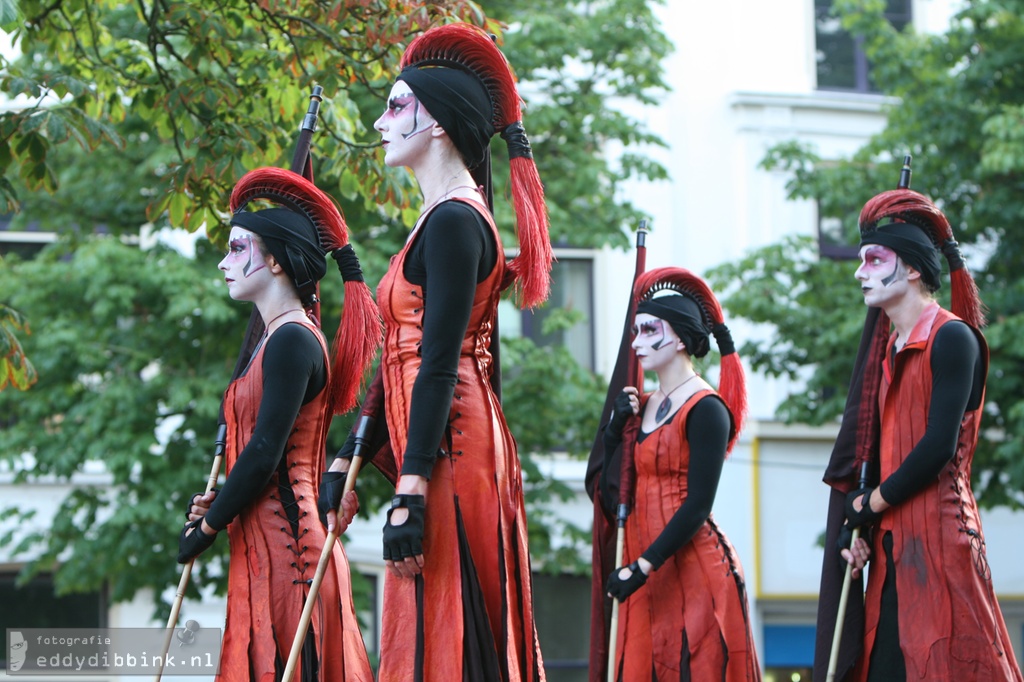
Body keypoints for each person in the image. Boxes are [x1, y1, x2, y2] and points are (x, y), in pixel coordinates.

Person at [322, 22, 553, 682]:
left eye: (396, 107)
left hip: (455, 442)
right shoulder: (437, 218)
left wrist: (413, 484)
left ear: (441, 126)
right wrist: (352, 452)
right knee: (426, 626)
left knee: (451, 629)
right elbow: (400, 354)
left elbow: (440, 361)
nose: (379, 120)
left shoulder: (455, 219)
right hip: (439, 437)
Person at [177, 166, 379, 682]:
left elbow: (265, 453)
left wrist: (208, 525)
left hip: (293, 559)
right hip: (266, 553)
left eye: (237, 248)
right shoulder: (280, 338)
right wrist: (220, 504)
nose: (224, 262)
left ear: (273, 259)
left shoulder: (292, 339)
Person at [828, 188, 1022, 681]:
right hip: (895, 551)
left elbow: (936, 447)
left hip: (941, 546)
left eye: (875, 259)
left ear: (913, 268)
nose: (860, 272)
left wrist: (870, 504)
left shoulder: (952, 337)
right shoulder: (888, 351)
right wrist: (870, 529)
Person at [598, 266, 761, 681]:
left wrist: (642, 567)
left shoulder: (707, 408)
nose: (636, 343)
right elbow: (611, 485)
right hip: (645, 570)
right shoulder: (642, 405)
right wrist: (615, 430)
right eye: (635, 331)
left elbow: (698, 505)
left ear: (680, 337)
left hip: (691, 572)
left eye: (648, 330)